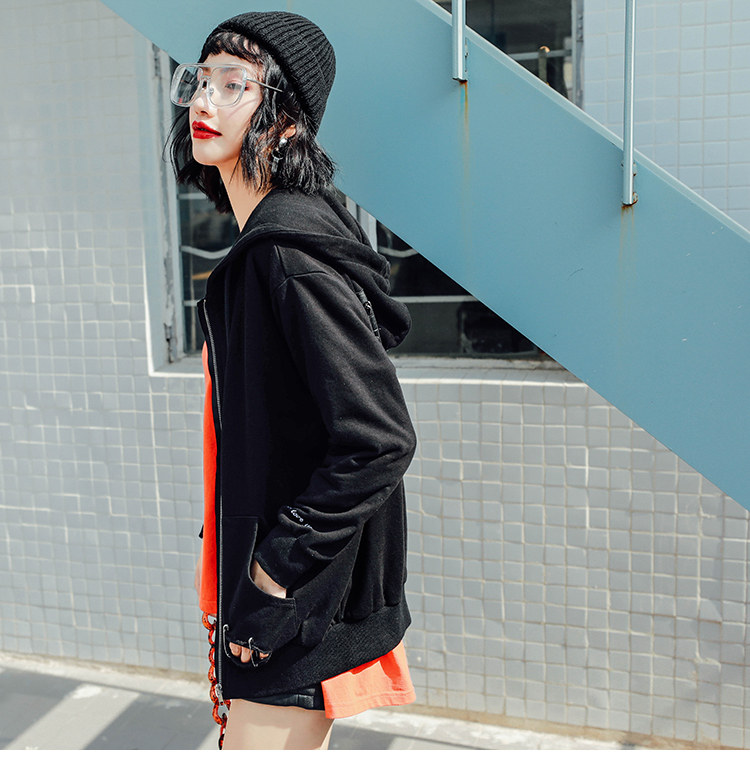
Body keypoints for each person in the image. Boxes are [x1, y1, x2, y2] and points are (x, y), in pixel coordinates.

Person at [167, 11, 418, 750]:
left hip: (295, 608)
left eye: (233, 84)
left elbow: (378, 439)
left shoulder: (288, 256)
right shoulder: (270, 244)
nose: (204, 101)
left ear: (284, 121)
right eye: (200, 80)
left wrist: (273, 574)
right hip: (286, 598)